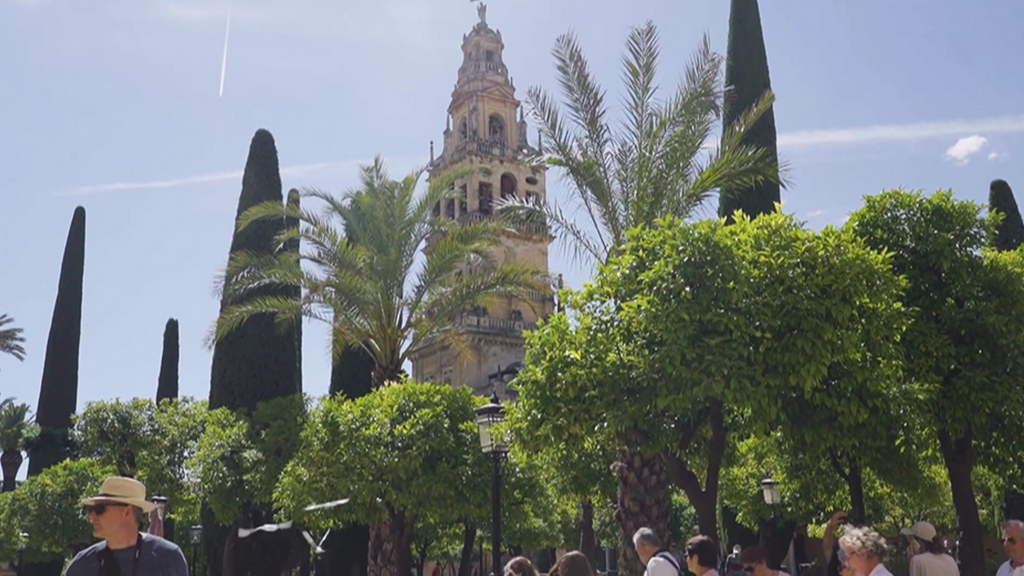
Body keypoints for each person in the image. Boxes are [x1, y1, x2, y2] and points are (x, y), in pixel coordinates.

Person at [66, 476, 189, 576]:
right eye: (90, 509)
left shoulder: (168, 557)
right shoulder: (82, 565)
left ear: (127, 511)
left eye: (99, 509)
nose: (91, 515)